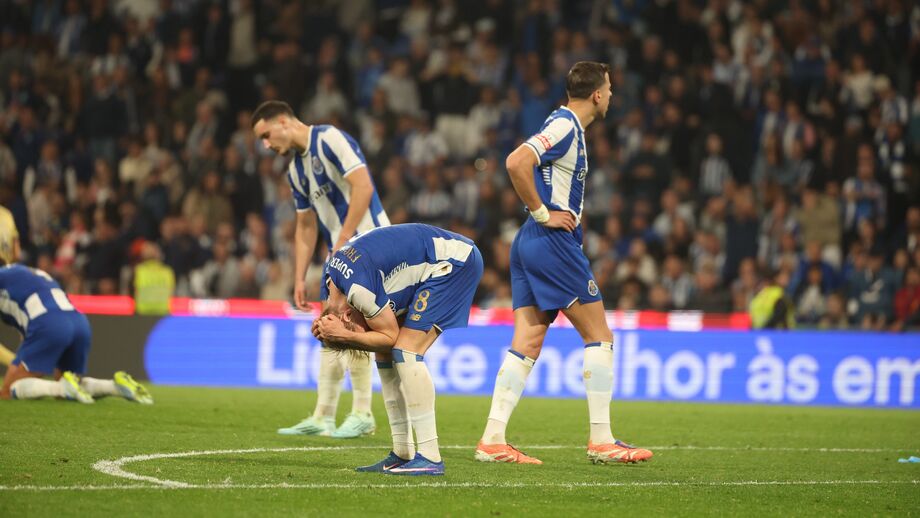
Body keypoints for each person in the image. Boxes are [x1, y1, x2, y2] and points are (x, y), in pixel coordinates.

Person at [474, 62, 653, 465]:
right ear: (597, 94)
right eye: (609, 88)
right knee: (600, 336)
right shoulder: (566, 125)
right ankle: (602, 441)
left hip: (531, 243)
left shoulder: (565, 125)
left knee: (529, 340)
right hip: (551, 241)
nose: (611, 95)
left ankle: (492, 439)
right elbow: (516, 161)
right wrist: (543, 213)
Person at [252, 100, 390, 439]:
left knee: (351, 326)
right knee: (328, 326)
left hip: (371, 243)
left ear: (284, 121)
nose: (267, 145)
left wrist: (344, 238)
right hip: (340, 254)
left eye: (267, 135)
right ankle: (323, 416)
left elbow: (364, 186)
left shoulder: (329, 138)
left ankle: (362, 413)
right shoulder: (296, 171)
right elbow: (305, 225)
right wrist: (299, 275)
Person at [313, 223, 484, 476]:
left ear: (347, 313)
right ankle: (402, 452)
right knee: (383, 351)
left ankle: (429, 456)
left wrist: (346, 335)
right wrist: (335, 332)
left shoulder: (358, 291)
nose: (361, 331)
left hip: (452, 262)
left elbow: (389, 336)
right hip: (425, 264)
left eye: (354, 327)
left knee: (405, 350)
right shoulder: (331, 281)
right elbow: (369, 336)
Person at [0, 240, 152, 404]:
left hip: (49, 324)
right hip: (78, 322)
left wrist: (14, 361)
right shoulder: (27, 272)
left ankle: (62, 388)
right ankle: (114, 386)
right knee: (71, 385)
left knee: (9, 390)